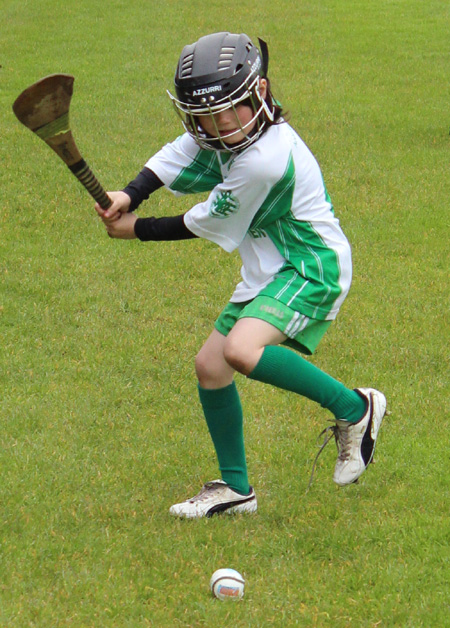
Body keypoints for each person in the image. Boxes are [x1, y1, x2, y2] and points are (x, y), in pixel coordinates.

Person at [95, 32, 387, 518]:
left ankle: (356, 409)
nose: (216, 127)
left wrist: (136, 229)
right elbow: (180, 149)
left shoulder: (264, 161)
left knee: (239, 350)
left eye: (228, 111)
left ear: (262, 93)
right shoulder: (223, 129)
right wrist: (132, 192)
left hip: (311, 265)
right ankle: (236, 490)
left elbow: (205, 220)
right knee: (211, 367)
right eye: (204, 115)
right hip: (269, 266)